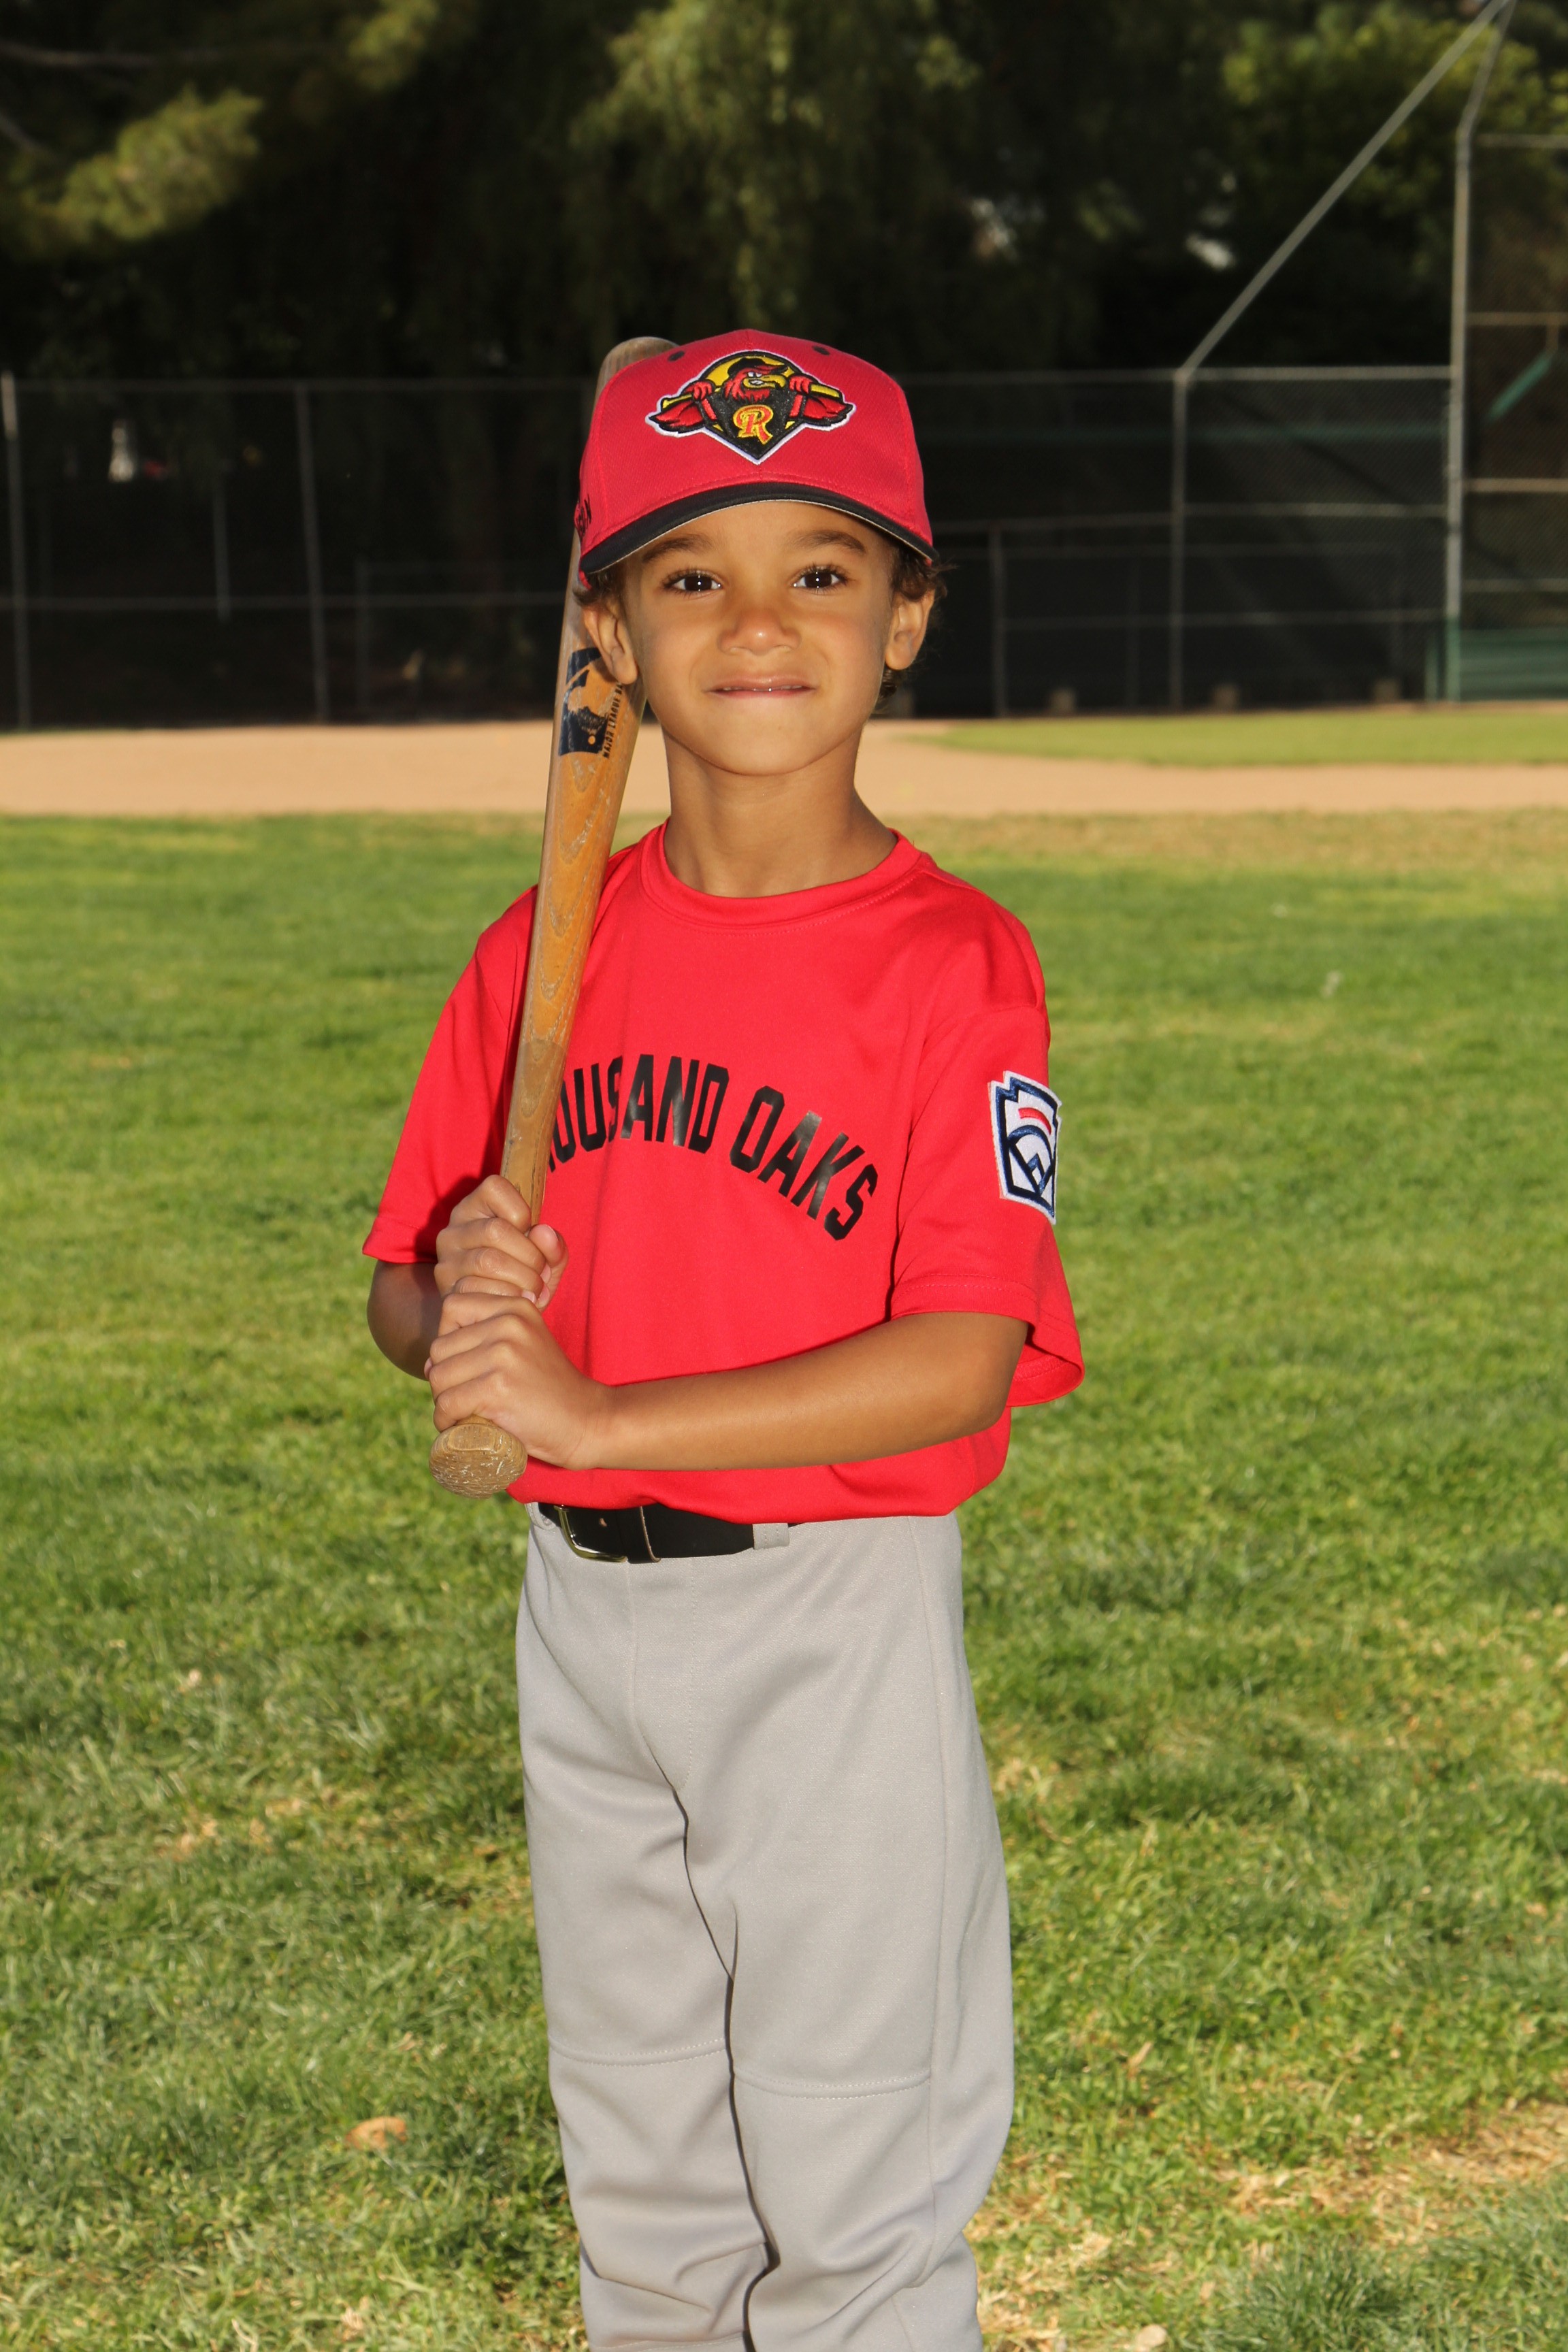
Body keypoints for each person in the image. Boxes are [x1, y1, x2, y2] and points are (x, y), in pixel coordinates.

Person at [365, 332, 1083, 2352]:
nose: (759, 622)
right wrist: (458, 1320)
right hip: (584, 1619)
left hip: (825, 1619)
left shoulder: (951, 963)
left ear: (907, 617)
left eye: (821, 571)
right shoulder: (540, 949)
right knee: (649, 2181)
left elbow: (960, 1357)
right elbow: (405, 1290)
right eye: (691, 575)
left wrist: (596, 1408)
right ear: (606, 632)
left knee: (853, 2180)